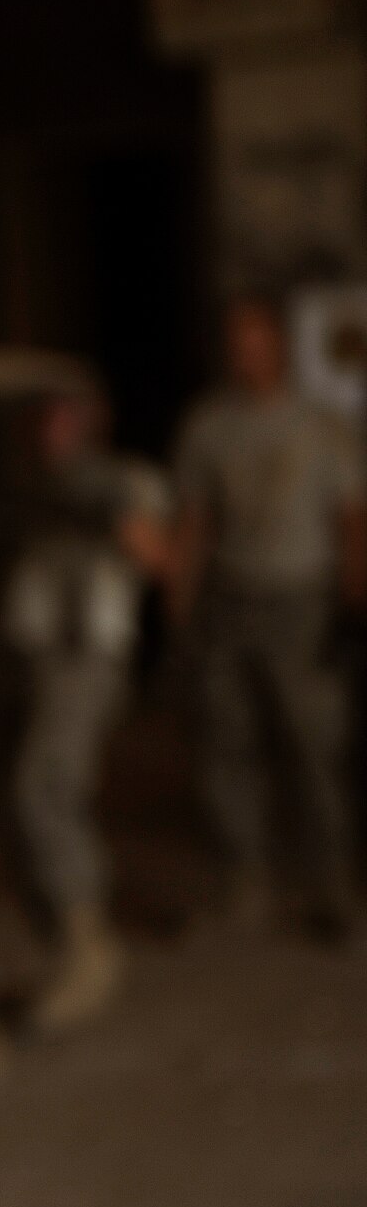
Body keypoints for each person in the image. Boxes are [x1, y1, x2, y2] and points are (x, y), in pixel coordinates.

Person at [170, 295, 367, 939]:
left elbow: (352, 518)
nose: (246, 356)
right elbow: (195, 521)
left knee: (313, 747)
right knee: (227, 745)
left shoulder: (321, 424)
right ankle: (242, 881)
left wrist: (351, 602)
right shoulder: (209, 424)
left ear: (280, 346)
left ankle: (331, 883)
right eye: (236, 343)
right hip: (231, 597)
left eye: (257, 342)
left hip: (302, 600)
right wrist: (181, 601)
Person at [0, 387, 170, 1032]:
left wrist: (109, 507)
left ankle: (88, 947)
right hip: (32, 650)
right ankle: (59, 944)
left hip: (85, 652)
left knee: (44, 789)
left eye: (68, 415)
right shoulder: (30, 484)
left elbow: (155, 553)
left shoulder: (123, 480)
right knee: (19, 799)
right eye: (43, 415)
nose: (52, 429)